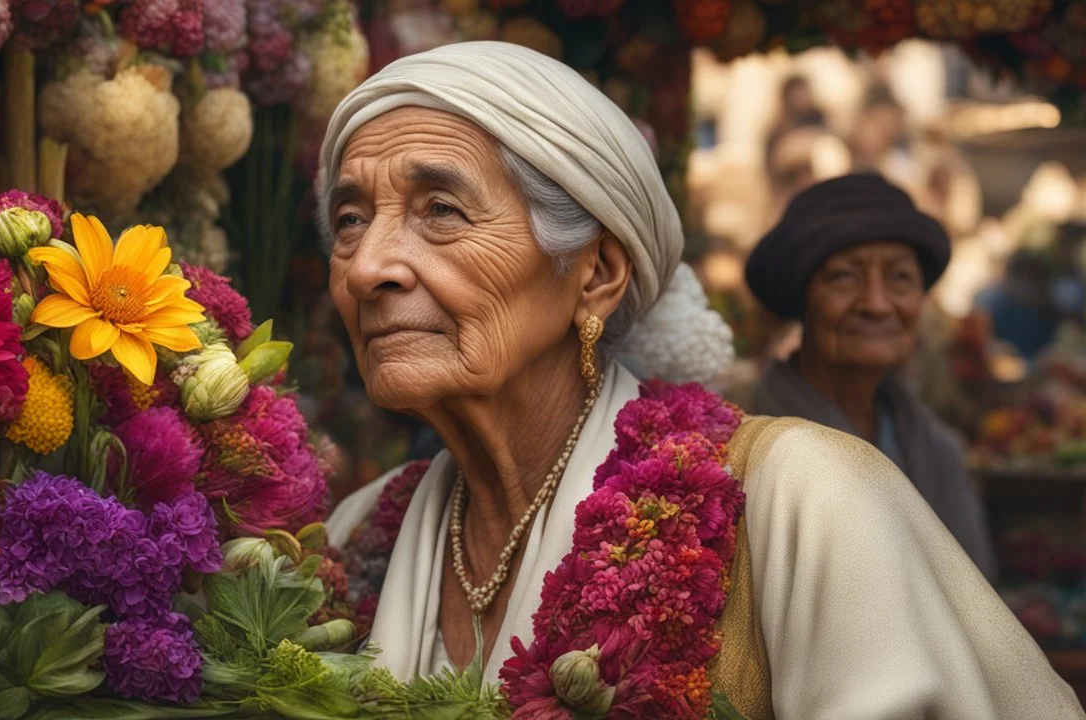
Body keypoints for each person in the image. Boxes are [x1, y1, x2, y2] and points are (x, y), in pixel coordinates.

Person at [322, 41, 1083, 719]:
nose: (366, 267)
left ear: (597, 274)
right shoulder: (359, 535)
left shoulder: (803, 498)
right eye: (350, 219)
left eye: (442, 209)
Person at [745, 173, 999, 580]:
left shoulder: (936, 449)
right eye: (845, 276)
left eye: (900, 278)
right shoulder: (748, 445)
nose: (877, 304)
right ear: (802, 299)